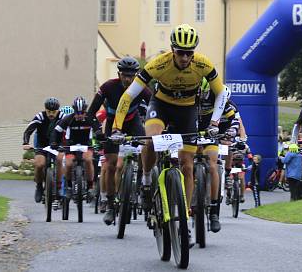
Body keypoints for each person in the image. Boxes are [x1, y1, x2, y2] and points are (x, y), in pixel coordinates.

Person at [112, 24, 227, 247]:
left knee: (187, 164)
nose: (185, 58)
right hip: (161, 105)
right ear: (172, 50)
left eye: (189, 53)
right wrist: (117, 128)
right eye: (180, 52)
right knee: (152, 140)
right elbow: (128, 95)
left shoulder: (203, 64)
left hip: (187, 110)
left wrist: (214, 122)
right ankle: (146, 178)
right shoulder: (159, 64)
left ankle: (183, 216)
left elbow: (221, 92)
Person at [86, 56, 152, 225]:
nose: (128, 79)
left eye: (131, 76)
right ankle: (109, 204)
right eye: (124, 75)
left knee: (147, 147)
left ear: (136, 75)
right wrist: (97, 130)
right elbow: (90, 113)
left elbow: (154, 106)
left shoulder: (142, 88)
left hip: (133, 122)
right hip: (112, 124)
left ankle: (144, 183)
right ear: (119, 74)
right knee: (111, 164)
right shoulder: (108, 87)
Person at [197, 78, 241, 232]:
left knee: (212, 164)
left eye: (205, 93)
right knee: (185, 163)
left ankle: (214, 211)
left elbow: (234, 120)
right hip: (193, 132)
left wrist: (232, 131)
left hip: (211, 134)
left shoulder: (219, 99)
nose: (201, 96)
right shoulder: (187, 96)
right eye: (199, 92)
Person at [51, 96, 103, 202]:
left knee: (88, 160)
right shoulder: (68, 119)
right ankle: (69, 186)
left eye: (82, 112)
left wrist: (100, 140)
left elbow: (99, 130)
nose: (79, 115)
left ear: (85, 111)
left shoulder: (90, 118)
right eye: (77, 113)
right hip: (71, 145)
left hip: (86, 145)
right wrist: (54, 142)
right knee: (69, 163)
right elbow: (56, 131)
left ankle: (90, 187)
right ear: (74, 111)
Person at [22, 97, 64, 203]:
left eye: (53, 112)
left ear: (58, 110)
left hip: (57, 144)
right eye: (48, 111)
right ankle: (39, 186)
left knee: (60, 161)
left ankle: (59, 187)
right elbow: (28, 130)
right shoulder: (40, 116)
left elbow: (70, 130)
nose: (51, 114)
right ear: (45, 109)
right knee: (39, 164)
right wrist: (26, 142)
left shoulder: (63, 117)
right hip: (42, 144)